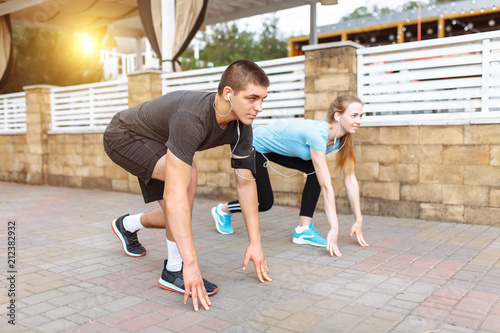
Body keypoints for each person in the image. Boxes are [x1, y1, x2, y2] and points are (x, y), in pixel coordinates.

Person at [103, 59, 272, 312]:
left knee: (179, 211)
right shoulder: (191, 118)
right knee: (186, 183)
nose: (259, 107)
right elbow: (174, 197)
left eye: (262, 99)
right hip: (125, 136)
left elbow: (246, 184)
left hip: (160, 142)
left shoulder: (240, 126)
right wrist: (191, 263)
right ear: (229, 94)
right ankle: (174, 270)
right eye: (252, 98)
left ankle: (126, 225)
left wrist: (255, 242)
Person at [212, 94, 369, 257]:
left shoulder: (341, 140)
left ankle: (303, 229)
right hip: (255, 145)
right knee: (264, 202)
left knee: (315, 172)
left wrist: (359, 220)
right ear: (338, 116)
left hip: (274, 149)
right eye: (354, 116)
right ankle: (223, 210)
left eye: (360, 116)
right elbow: (326, 186)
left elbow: (350, 179)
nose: (359, 120)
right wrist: (334, 227)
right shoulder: (318, 134)